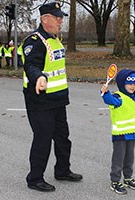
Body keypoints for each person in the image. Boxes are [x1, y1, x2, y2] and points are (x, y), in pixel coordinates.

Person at [18, 2, 83, 192]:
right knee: (42, 140)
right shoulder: (34, 41)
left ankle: (63, 170)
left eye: (61, 17)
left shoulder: (55, 39)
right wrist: (38, 77)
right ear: (45, 19)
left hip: (58, 99)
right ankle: (35, 178)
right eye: (57, 17)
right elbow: (31, 64)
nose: (60, 20)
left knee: (63, 138)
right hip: (40, 101)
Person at [100, 69, 135, 195]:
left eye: (134, 84)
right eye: (129, 84)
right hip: (120, 135)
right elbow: (110, 100)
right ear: (122, 84)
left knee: (129, 158)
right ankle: (115, 181)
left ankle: (127, 178)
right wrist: (105, 93)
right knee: (118, 159)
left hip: (132, 134)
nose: (132, 87)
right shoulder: (118, 98)